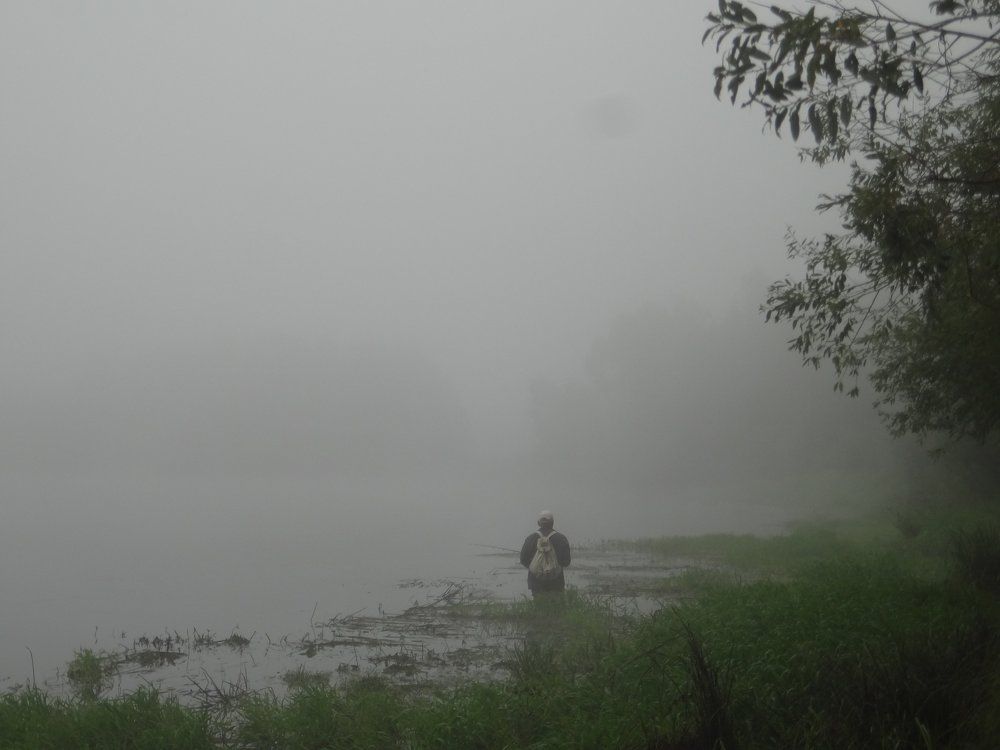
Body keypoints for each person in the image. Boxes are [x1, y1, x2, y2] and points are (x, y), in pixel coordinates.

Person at [519, 510, 571, 596]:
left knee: (538, 607)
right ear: (552, 523)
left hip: (536, 583)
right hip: (556, 583)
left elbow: (523, 560)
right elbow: (566, 562)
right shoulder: (561, 539)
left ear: (538, 523)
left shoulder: (530, 538)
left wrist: (536, 567)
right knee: (556, 607)